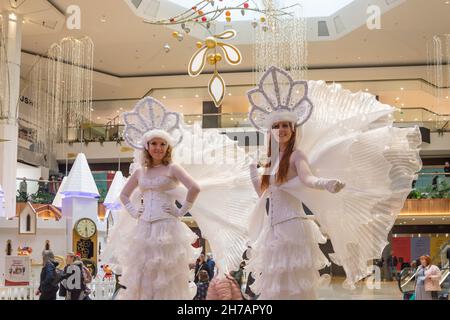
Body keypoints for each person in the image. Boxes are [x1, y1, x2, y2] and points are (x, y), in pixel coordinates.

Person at [245, 66, 421, 299]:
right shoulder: (270, 161)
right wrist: (252, 171)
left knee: (294, 285)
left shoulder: (297, 155)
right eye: (276, 126)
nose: (281, 130)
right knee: (275, 284)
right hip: (273, 229)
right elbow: (262, 195)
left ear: (293, 128)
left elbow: (308, 179)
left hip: (292, 227)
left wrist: (326, 183)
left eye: (285, 125)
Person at [110, 98, 202, 300]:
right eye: (154, 143)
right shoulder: (140, 171)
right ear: (147, 146)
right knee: (142, 273)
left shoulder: (173, 168)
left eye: (162, 144)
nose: (158, 148)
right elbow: (124, 195)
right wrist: (134, 212)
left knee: (165, 275)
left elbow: (195, 187)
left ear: (167, 147)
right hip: (143, 228)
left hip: (166, 227)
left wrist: (181, 210)